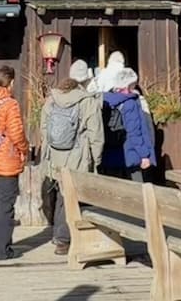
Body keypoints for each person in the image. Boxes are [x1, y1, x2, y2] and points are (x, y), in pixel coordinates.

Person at [40, 73, 104, 255]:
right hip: (78, 158)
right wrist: (96, 159)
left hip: (55, 157)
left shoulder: (51, 101)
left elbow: (44, 130)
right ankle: (65, 239)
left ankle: (60, 236)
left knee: (61, 196)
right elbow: (96, 135)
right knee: (71, 197)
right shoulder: (88, 102)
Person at [0, 65, 29, 262]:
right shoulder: (10, 104)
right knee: (6, 205)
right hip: (7, 160)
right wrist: (25, 148)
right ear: (12, 82)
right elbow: (16, 133)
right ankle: (3, 250)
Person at [100, 67, 156, 183]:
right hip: (130, 152)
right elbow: (135, 132)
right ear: (129, 85)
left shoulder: (105, 99)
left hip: (108, 152)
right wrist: (144, 155)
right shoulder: (130, 103)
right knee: (137, 188)